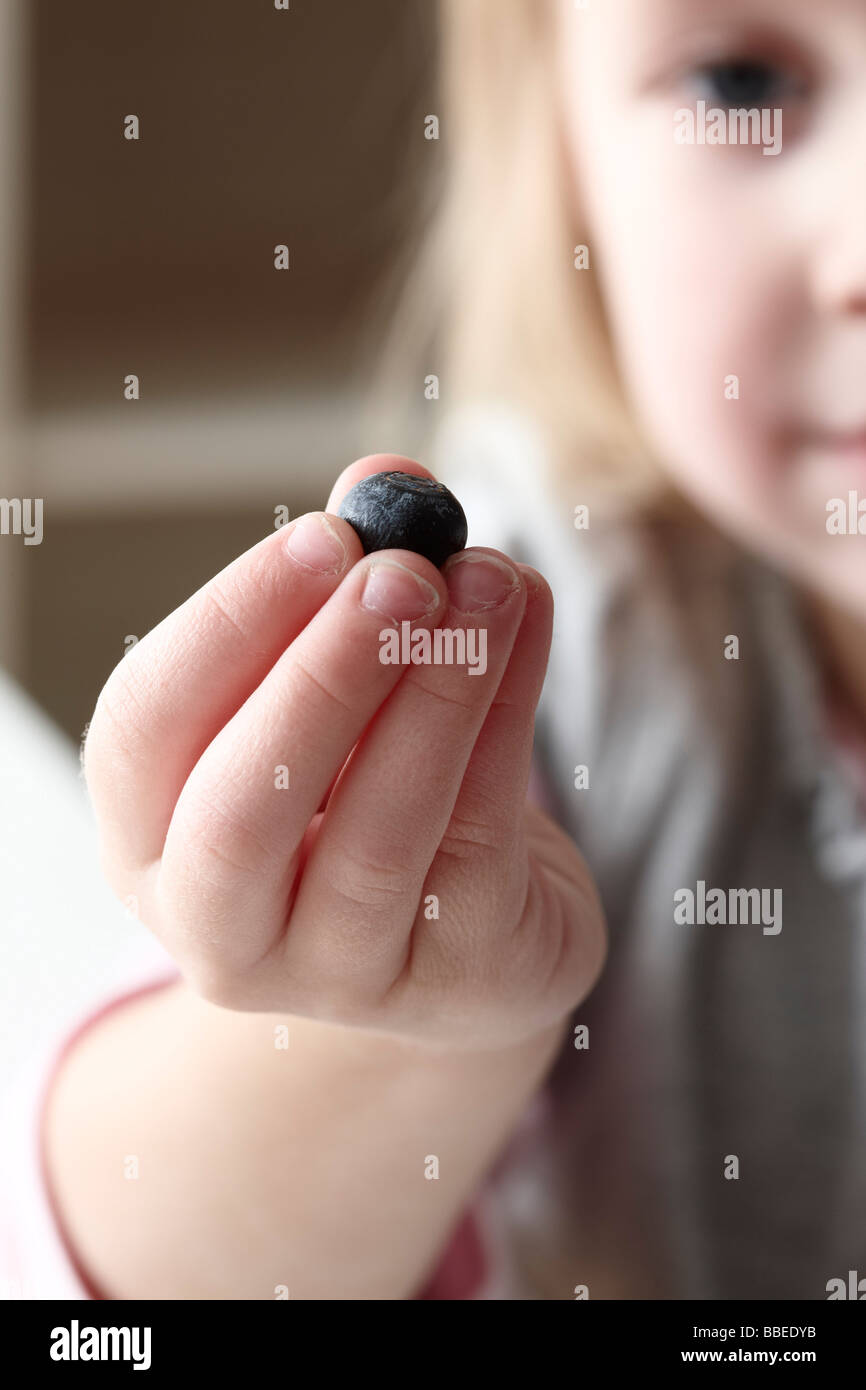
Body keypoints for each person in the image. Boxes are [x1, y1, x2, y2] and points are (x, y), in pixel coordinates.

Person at [3, 0, 866, 1299]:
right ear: (561, 152)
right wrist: (388, 1017)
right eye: (740, 78)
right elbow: (144, 1260)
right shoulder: (554, 631)